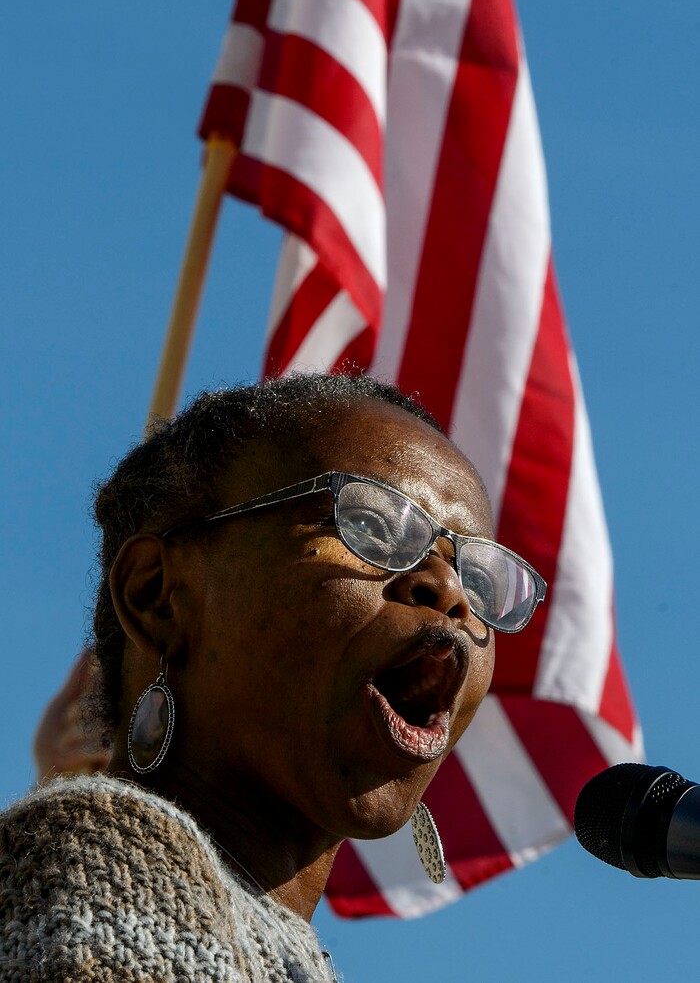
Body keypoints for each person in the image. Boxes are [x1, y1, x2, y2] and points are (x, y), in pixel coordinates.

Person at [0, 372, 545, 981]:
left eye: (484, 580)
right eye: (372, 526)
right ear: (157, 595)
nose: (450, 592)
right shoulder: (98, 867)